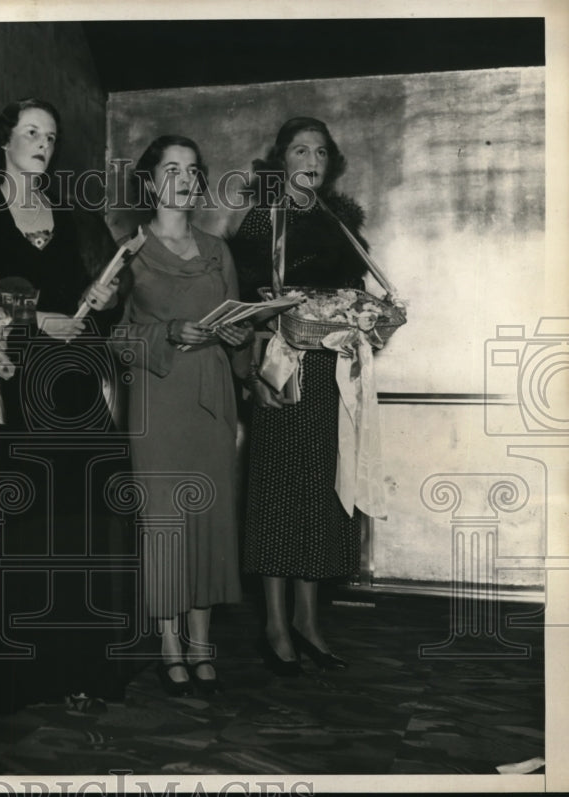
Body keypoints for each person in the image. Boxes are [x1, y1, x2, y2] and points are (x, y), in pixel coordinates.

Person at [0, 98, 138, 715]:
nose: (41, 143)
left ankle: (81, 670)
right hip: (13, 383)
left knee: (81, 533)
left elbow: (101, 300)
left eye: (50, 136)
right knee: (21, 531)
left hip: (75, 386)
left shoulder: (74, 214)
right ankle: (18, 679)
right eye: (30, 132)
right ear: (4, 140)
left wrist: (103, 296)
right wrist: (35, 319)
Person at [230, 116, 369, 675]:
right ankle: (273, 623)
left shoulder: (341, 222)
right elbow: (241, 304)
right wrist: (252, 372)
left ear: (329, 163)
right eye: (298, 150)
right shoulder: (264, 219)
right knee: (277, 494)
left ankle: (310, 622)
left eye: (319, 152)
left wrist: (359, 319)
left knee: (321, 494)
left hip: (330, 375)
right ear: (281, 160)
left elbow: (356, 296)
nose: (310, 160)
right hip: (281, 370)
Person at [115, 135, 254, 696]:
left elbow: (242, 328)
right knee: (166, 523)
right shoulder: (129, 251)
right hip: (158, 396)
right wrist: (168, 333)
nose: (184, 179)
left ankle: (202, 641)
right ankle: (169, 641)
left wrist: (240, 335)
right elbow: (115, 337)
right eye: (170, 169)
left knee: (210, 517)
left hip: (212, 396)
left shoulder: (219, 250)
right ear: (150, 182)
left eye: (192, 170)